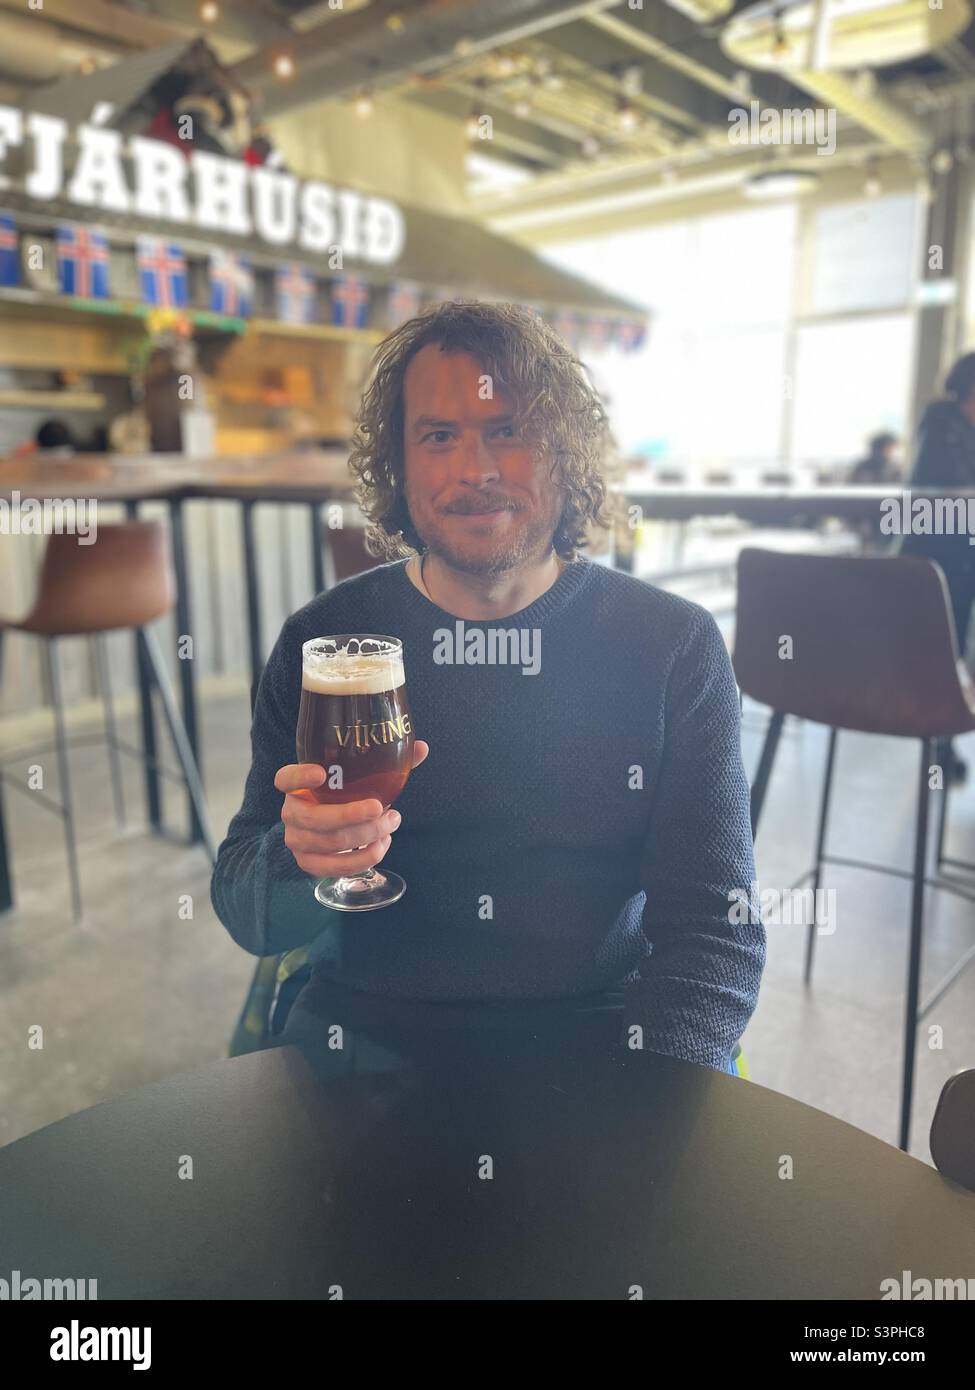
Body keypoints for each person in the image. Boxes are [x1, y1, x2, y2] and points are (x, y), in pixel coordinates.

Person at [210, 301, 765, 1087]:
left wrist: (657, 1096)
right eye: (438, 436)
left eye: (510, 430)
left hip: (599, 1031)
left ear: (565, 454)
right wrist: (301, 861)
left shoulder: (671, 645)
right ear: (397, 467)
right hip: (361, 1033)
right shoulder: (327, 642)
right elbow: (249, 918)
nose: (476, 470)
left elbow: (714, 929)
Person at [900, 354, 975, 782]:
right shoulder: (945, 425)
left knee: (950, 652)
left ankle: (943, 742)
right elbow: (940, 499)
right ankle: (940, 744)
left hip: (957, 558)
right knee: (946, 653)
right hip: (943, 561)